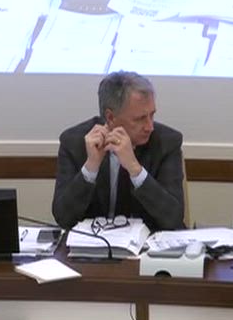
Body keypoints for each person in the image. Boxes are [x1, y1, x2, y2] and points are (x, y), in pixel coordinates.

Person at [52, 71, 185, 231]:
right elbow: (63, 218)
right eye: (140, 119)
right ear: (110, 117)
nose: (150, 127)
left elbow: (173, 219)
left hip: (147, 244)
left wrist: (135, 169)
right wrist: (90, 167)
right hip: (93, 243)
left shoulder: (166, 143)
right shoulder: (74, 143)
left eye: (152, 115)